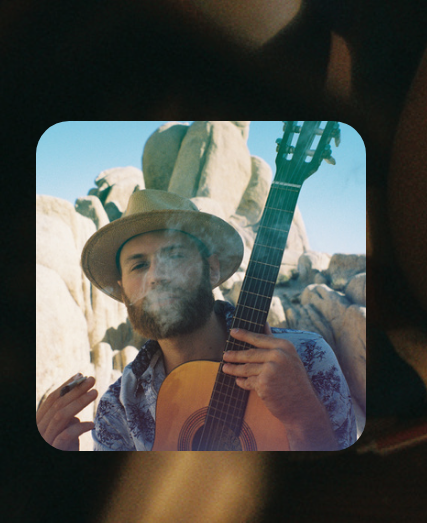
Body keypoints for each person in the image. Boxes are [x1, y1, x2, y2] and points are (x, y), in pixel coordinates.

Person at [35, 189, 357, 450]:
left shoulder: (306, 357)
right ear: (122, 291)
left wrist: (304, 416)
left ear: (212, 269)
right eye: (139, 265)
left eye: (175, 255)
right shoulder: (118, 408)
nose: (157, 276)